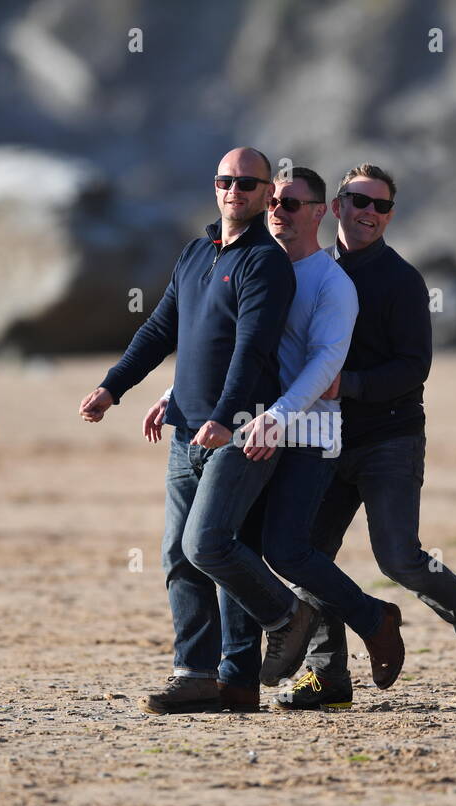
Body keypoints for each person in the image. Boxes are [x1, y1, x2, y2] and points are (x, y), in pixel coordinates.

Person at [143, 166, 406, 711]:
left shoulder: (331, 282)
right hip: (256, 426)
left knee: (284, 550)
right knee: (231, 547)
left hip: (304, 433)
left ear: (318, 211)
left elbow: (325, 362)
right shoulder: (257, 264)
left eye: (290, 203)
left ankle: (368, 621)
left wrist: (278, 418)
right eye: (274, 203)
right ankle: (236, 677)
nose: (277, 211)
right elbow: (230, 345)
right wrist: (177, 392)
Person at [78, 147, 315, 716]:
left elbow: (253, 347)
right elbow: (161, 329)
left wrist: (223, 414)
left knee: (208, 543)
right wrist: (115, 387)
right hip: (187, 430)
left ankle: (287, 617)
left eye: (248, 183)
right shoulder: (195, 254)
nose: (235, 190)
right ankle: (203, 677)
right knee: (180, 556)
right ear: (215, 188)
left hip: (240, 429)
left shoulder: (265, 263)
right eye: (225, 181)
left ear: (264, 195)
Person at [274, 163, 456, 711]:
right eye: (358, 201)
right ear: (335, 207)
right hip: (324, 439)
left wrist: (348, 383)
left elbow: (415, 367)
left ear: (389, 216)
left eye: (380, 206)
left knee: (398, 556)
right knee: (307, 554)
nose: (368, 213)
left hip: (390, 438)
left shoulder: (402, 281)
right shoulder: (314, 271)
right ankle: (327, 677)